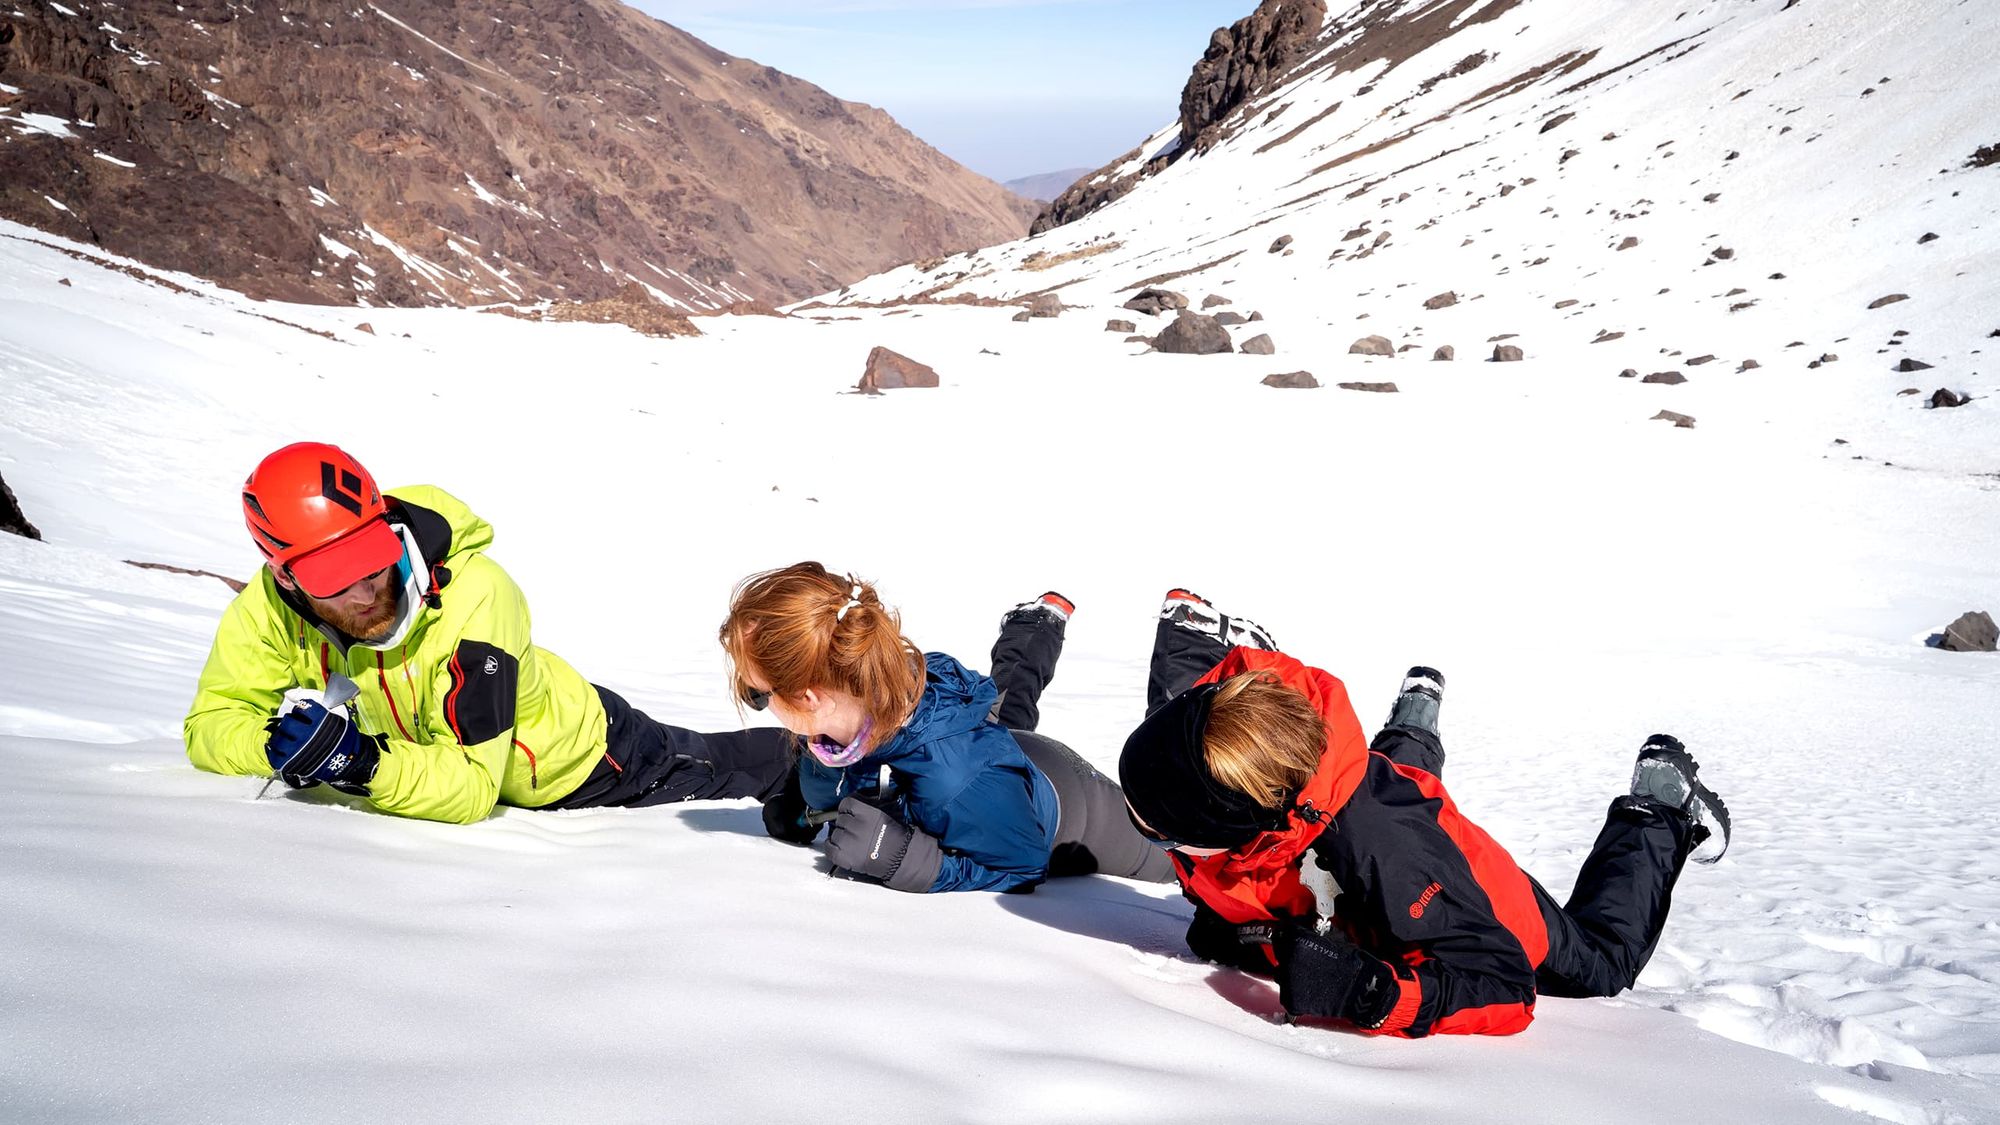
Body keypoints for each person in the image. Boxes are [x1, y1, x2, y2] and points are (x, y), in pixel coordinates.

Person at [1118, 589, 1731, 1037]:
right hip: (1374, 807)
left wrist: (1376, 996)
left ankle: (1658, 805)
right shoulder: (1226, 734)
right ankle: (1412, 723)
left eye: (1162, 828)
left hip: (1484, 901)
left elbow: (1504, 984)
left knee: (1603, 961)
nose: (1141, 824)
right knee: (1363, 786)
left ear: (1255, 823)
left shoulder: (1387, 858)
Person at [184, 442, 793, 823]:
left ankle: (832, 759)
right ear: (283, 574)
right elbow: (208, 724)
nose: (368, 591)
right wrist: (276, 748)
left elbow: (473, 787)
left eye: (372, 562)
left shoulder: (477, 596)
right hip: (498, 744)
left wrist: (360, 763)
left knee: (725, 769)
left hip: (585, 757)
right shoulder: (268, 610)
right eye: (335, 580)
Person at [719, 562, 1173, 893]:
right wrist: (805, 806)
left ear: (809, 697)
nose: (757, 701)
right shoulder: (845, 713)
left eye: (756, 694)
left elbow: (1021, 866)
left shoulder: (954, 782)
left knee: (1174, 842)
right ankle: (1033, 628)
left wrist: (903, 858)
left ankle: (1191, 652)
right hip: (990, 772)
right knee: (999, 714)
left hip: (1069, 813)